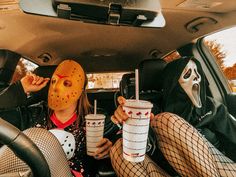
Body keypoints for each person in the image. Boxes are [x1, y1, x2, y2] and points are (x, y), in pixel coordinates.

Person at [110, 56, 236, 177]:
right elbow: (136, 131)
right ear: (174, 82)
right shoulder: (153, 107)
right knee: (118, 149)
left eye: (197, 72)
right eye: (187, 74)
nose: (196, 78)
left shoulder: (212, 107)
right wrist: (129, 118)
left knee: (166, 120)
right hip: (170, 170)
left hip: (220, 169)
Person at [0, 60, 113, 177]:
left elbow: (118, 138)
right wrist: (20, 88)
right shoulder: (32, 113)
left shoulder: (94, 119)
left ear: (80, 91)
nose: (55, 87)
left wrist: (110, 148)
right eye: (53, 81)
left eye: (67, 83)